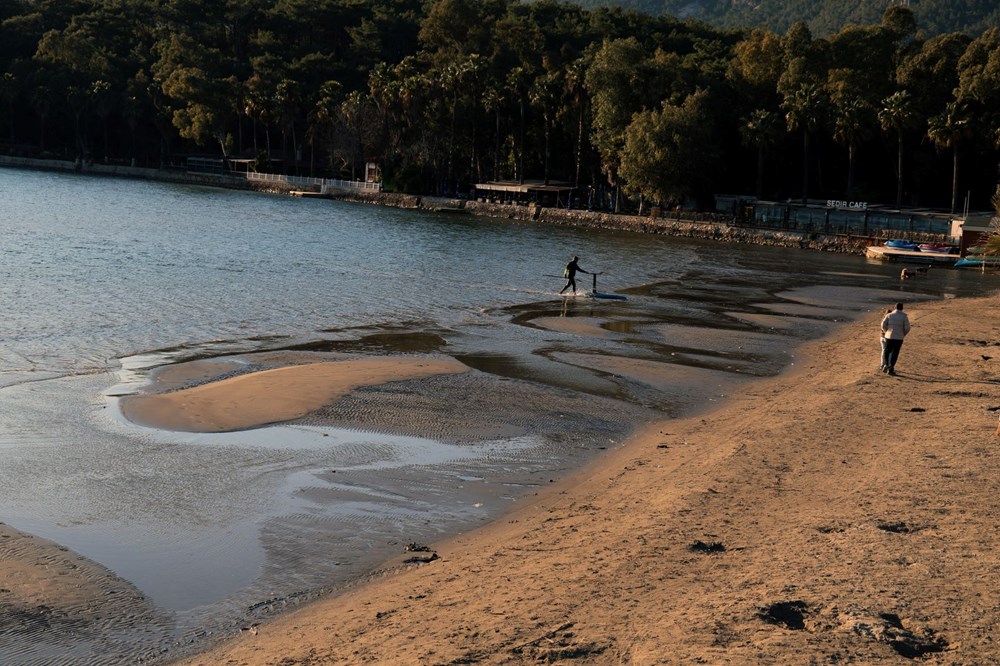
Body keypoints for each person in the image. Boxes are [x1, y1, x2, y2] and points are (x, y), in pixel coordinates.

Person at [880, 302, 911, 375]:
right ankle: (891, 368)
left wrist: (886, 331)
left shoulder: (889, 315)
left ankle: (886, 365)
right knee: (895, 353)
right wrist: (903, 334)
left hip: (889, 336)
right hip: (899, 338)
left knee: (887, 351)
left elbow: (883, 325)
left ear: (895, 307)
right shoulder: (904, 316)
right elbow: (907, 328)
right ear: (902, 308)